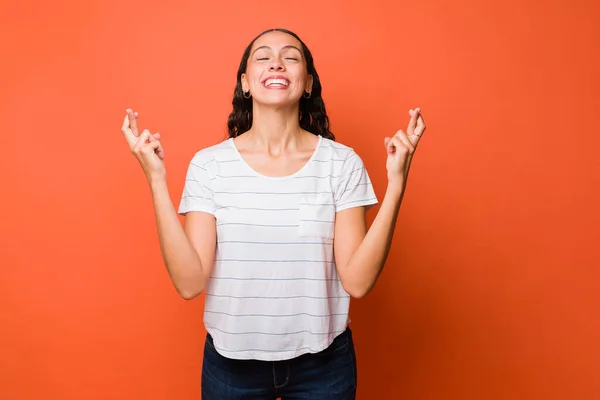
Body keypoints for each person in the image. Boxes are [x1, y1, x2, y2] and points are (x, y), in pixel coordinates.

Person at [121, 28, 426, 400]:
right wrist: (156, 180)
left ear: (308, 83)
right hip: (231, 368)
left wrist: (397, 183)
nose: (276, 62)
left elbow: (358, 282)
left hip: (324, 366)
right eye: (263, 56)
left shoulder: (341, 164)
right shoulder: (210, 165)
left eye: (291, 56)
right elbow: (189, 283)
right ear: (246, 83)